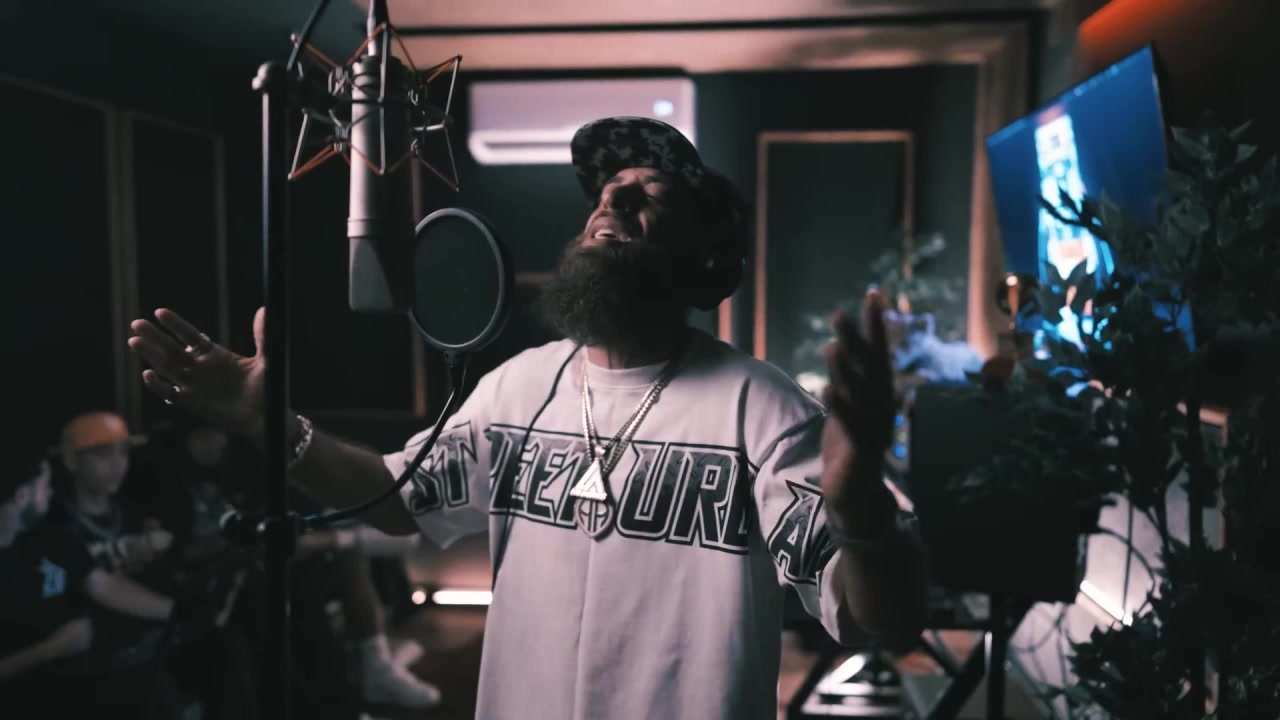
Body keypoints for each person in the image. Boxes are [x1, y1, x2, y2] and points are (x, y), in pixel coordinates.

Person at [127, 116, 929, 720]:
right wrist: (271, 428)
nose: (611, 201)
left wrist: (858, 506)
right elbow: (397, 500)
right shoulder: (520, 386)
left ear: (703, 257)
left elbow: (881, 622)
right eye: (604, 195)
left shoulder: (763, 410)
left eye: (649, 194)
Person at [0, 441, 181, 718]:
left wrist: (177, 611)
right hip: (27, 694)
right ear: (22, 496)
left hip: (84, 673)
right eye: (44, 486)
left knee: (161, 683)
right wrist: (47, 651)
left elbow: (102, 584)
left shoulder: (46, 536)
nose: (51, 492)